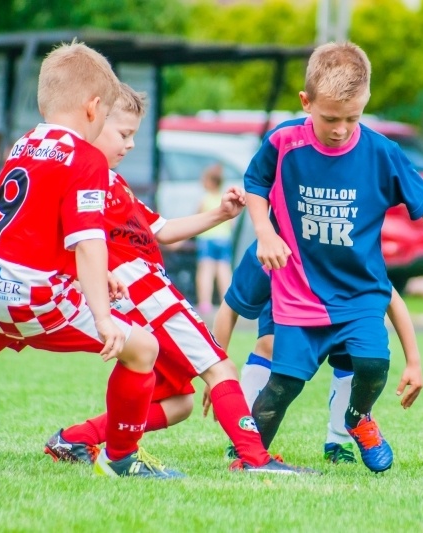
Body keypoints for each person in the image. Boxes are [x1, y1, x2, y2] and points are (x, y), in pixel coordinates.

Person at [0, 42, 180, 479]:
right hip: (31, 295)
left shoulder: (25, 144)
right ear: (93, 107)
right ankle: (120, 459)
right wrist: (103, 316)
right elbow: (87, 240)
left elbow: (35, 226)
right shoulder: (87, 159)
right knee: (142, 347)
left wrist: (97, 274)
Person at [45, 83, 308, 475]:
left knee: (179, 402)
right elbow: (73, 240)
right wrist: (102, 274)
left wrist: (219, 214)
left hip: (145, 294)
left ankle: (77, 437)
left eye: (134, 134)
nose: (130, 144)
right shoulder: (88, 178)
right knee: (219, 367)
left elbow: (161, 229)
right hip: (146, 295)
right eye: (123, 134)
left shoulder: (114, 182)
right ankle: (255, 458)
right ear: (93, 120)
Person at [244, 41, 423, 473]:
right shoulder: (283, 144)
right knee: (285, 383)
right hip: (301, 293)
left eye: (353, 117)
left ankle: (358, 419)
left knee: (373, 363)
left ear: (366, 101)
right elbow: (255, 184)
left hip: (360, 293)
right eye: (330, 117)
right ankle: (250, 454)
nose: (340, 128)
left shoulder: (381, 152)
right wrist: (264, 233)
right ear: (306, 101)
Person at [207, 240, 423, 464]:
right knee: (269, 345)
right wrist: (217, 371)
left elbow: (390, 296)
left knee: (354, 355)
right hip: (289, 300)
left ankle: (339, 440)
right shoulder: (269, 252)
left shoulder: (341, 246)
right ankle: (245, 439)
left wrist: (413, 361)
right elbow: (230, 307)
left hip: (339, 304)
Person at [195, 164, 234, 316]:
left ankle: (205, 303)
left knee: (206, 271)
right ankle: (227, 302)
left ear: (210, 182)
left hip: (207, 239)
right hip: (224, 238)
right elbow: (231, 222)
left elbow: (196, 218)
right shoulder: (223, 199)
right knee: (224, 270)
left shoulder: (205, 199)